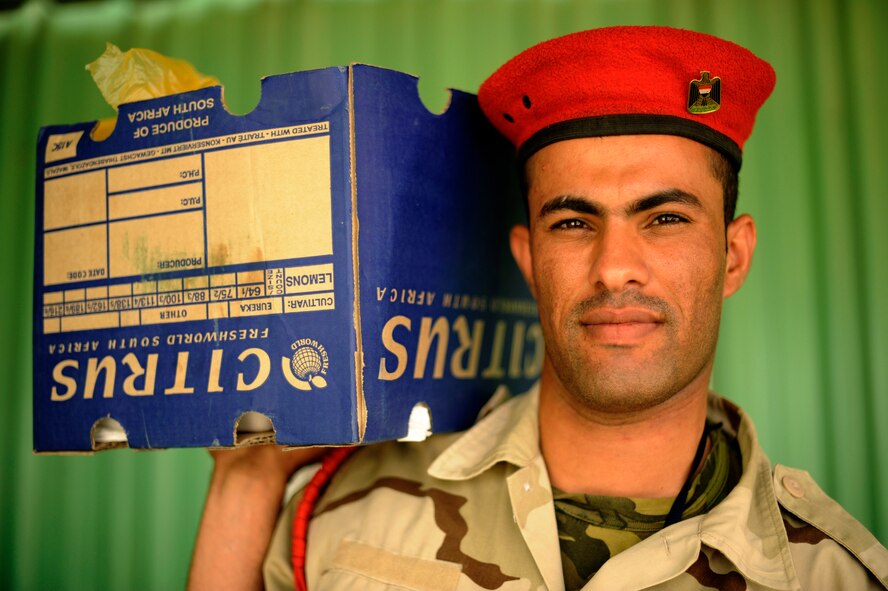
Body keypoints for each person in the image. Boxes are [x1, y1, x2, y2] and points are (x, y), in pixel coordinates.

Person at [189, 26, 888, 591]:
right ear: (527, 258)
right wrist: (247, 478)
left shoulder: (830, 572)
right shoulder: (347, 509)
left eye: (665, 218)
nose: (615, 266)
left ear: (733, 256)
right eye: (574, 223)